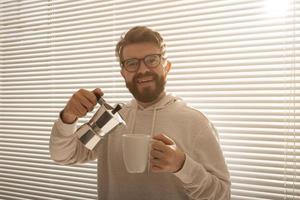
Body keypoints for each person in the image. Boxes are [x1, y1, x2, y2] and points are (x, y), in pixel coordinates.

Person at [50, 26, 231, 200]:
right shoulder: (111, 119)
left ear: (166, 67)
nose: (142, 70)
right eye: (132, 63)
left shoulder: (195, 123)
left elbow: (222, 196)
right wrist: (68, 116)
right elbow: (63, 155)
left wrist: (182, 165)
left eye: (151, 60)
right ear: (123, 74)